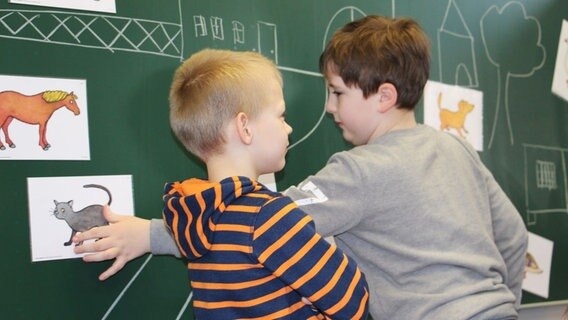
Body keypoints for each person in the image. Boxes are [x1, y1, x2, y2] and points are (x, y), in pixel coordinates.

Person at [75, 15, 528, 319]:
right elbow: (512, 236)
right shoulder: (456, 150)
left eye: (338, 93)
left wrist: (150, 235)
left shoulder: (359, 171)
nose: (329, 108)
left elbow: (254, 219)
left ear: (384, 96)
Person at [88, 48, 370, 319]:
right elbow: (352, 303)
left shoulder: (190, 215)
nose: (289, 127)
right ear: (244, 128)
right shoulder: (268, 216)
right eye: (281, 115)